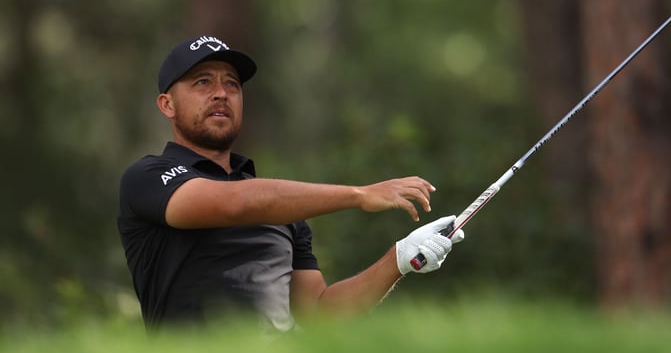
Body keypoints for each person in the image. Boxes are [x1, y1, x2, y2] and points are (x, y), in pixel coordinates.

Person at [117, 35, 464, 332]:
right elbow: (234, 203)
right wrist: (360, 195)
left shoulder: (283, 209)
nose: (221, 93)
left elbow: (318, 315)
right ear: (167, 105)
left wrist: (398, 259)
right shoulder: (148, 177)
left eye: (232, 84)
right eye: (202, 82)